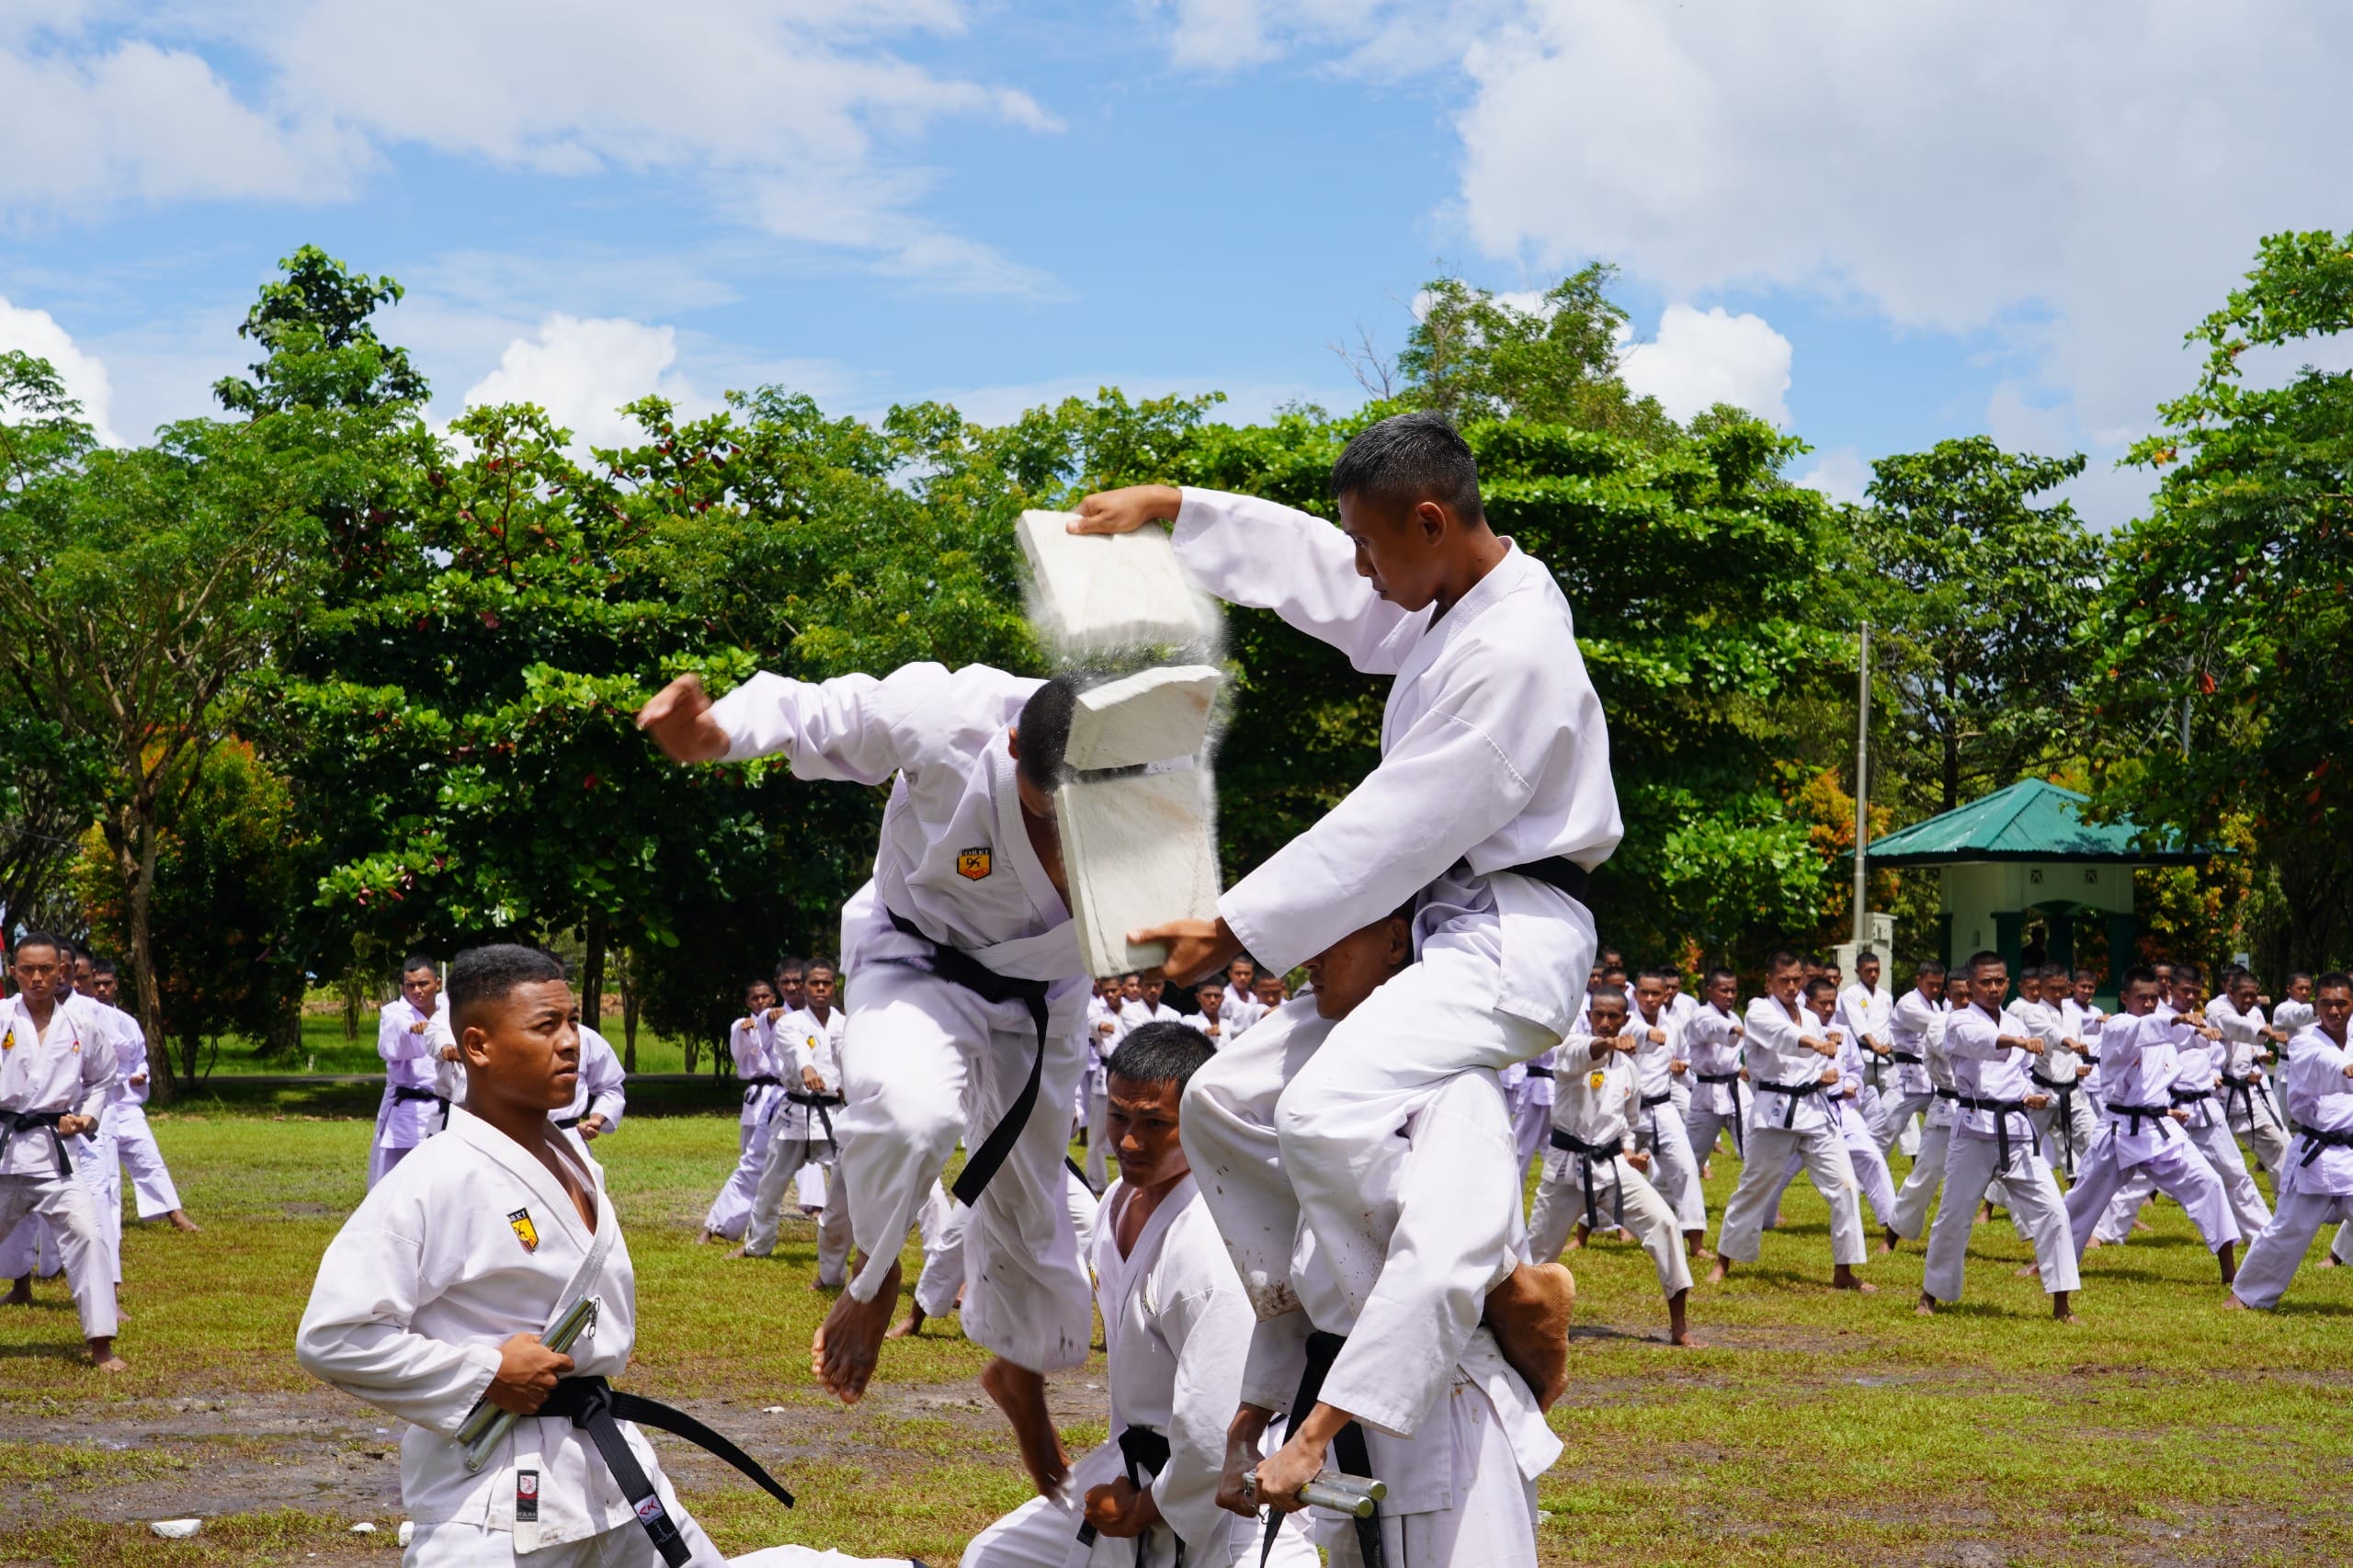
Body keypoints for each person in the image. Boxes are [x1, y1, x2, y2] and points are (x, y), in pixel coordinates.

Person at [1076, 415, 1615, 1471]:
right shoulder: (1450, 598)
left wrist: (1235, 925)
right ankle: (1297, 1325)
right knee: (1223, 1103)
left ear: (1428, 520)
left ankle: (1490, 1297)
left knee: (1323, 1111)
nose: (1360, 568)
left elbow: (1401, 816)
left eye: (1373, 545)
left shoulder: (1515, 651)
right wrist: (1179, 511)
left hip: (1508, 937)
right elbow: (1317, 571)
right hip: (1438, 926)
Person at [640, 659, 1097, 1498]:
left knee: (1036, 1202)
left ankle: (1019, 1373)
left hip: (1046, 988)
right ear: (1007, 748)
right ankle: (877, 1270)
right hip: (916, 955)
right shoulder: (945, 717)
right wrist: (714, 734)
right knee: (907, 1114)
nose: (1060, 836)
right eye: (1043, 809)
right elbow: (808, 706)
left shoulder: (1151, 777)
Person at [296, 945, 805, 1568]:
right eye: (546, 1026)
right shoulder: (437, 1177)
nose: (572, 1043)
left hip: (609, 1467)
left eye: (572, 1022)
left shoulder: (574, 1155)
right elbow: (334, 1336)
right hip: (499, 1491)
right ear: (478, 1046)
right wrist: (486, 1372)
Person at [1188, 908, 1565, 1566]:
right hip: (1346, 1416)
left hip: (1445, 1421)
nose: (1307, 961)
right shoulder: (1336, 1103)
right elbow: (1313, 1272)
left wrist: (1308, 1439)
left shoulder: (1458, 1089)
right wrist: (1251, 1420)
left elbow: (1436, 1274)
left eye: (1328, 935)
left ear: (1395, 938)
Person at [962, 1022, 1315, 1568]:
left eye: (1155, 1123)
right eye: (1119, 1116)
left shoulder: (1211, 1242)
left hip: (1230, 1488)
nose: (1129, 1141)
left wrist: (1144, 1509)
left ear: (1199, 1120)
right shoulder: (1117, 1203)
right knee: (993, 1558)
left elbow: (1210, 1426)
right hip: (1133, 1460)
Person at [1524, 990, 1698, 1346]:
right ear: (1589, 1015)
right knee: (1538, 1251)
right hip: (1566, 1169)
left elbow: (1626, 1122)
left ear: (1624, 1018)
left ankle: (1679, 1326)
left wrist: (1631, 1152)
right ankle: (1517, 1323)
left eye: (1613, 1016)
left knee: (1665, 1223)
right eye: (1599, 1015)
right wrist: (1607, 1043)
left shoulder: (1630, 1070)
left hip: (1613, 1164)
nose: (1605, 1022)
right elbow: (1586, 1052)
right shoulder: (1571, 1048)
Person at [1915, 954, 2080, 1322]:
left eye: (1999, 982)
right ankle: (1930, 1294)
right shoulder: (1958, 1021)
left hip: (2017, 1131)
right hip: (1973, 1131)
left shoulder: (2015, 1021)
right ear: (1971, 987)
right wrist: (2019, 1041)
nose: (1993, 989)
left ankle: (2062, 1304)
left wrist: (2027, 1094)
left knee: (2053, 1211)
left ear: (2008, 984)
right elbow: (1980, 1042)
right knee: (1953, 1215)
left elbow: (2018, 1075)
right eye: (1985, 983)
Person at [2062, 967, 2241, 1283]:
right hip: (2118, 1131)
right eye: (2141, 997)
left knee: (2209, 1183)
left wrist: (2198, 1028)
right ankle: (2051, 1263)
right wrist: (2177, 1020)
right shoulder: (2119, 1026)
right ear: (2124, 998)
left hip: (2158, 1129)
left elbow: (2157, 1078)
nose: (2148, 1004)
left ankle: (2230, 1271)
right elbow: (2143, 1029)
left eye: (2154, 998)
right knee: (2082, 1200)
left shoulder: (2165, 1034)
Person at [1708, 951, 1871, 1290]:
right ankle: (1724, 1259)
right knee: (1755, 1186)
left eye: (1797, 979)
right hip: (1775, 1111)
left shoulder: (1810, 1018)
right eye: (1785, 980)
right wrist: (1817, 1044)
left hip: (1814, 1111)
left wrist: (1826, 1072)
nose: (1793, 986)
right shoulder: (1758, 1011)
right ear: (1769, 982)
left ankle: (1844, 1271)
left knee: (1845, 1185)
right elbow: (1781, 1035)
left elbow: (1819, 1065)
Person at [0, 933, 124, 1371]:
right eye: (27, 969)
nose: (37, 978)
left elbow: (103, 1079)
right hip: (5, 1153)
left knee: (89, 1237)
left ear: (62, 972)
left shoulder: (81, 1025)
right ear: (13, 971)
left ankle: (101, 1343)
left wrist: (87, 1118)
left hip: (56, 1157)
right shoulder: (0, 1018)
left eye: (46, 969)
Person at [2228, 973, 2353, 1311]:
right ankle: (2245, 1296)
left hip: (2351, 1153)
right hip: (2318, 1152)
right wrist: (2346, 1068)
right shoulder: (2304, 1041)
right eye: (2326, 1003)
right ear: (2316, 1006)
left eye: (2342, 1003)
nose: (2334, 1010)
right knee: (2289, 1229)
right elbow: (2325, 1065)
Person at [1760, 978, 1901, 1239]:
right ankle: (1763, 1218)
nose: (1827, 1008)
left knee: (1871, 1156)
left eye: (1831, 1003)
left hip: (1840, 1110)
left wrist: (1849, 1084)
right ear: (1808, 1003)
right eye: (1822, 1003)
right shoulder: (1795, 1032)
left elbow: (1856, 1070)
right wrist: (1822, 1047)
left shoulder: (1844, 1033)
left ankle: (1891, 1221)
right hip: (1802, 1110)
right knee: (1778, 1169)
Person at [742, 963, 853, 1283]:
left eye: (827, 983)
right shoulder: (789, 1023)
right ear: (803, 986)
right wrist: (806, 1070)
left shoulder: (845, 1024)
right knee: (771, 1184)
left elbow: (849, 1056)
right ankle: (758, 1245)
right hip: (795, 1113)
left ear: (834, 987)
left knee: (849, 1184)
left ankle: (853, 1246)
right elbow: (796, 1051)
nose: (820, 989)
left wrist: (851, 1082)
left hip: (833, 1113)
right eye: (814, 983)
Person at [87, 958, 198, 1233]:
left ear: (116, 985)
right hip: (91, 1106)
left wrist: (140, 1074)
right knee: (100, 1172)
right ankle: (99, 1225)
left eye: (107, 984)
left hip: (124, 1104)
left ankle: (176, 1215)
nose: (101, 989)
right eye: (97, 984)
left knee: (148, 1156)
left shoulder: (126, 1021)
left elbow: (140, 1058)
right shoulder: (79, 1017)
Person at [1624, 969, 1707, 1257]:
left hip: (1663, 1107)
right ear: (1635, 995)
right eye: (1643, 993)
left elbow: (1684, 1058)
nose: (1649, 999)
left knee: (1685, 1168)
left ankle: (1695, 1241)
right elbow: (1635, 1033)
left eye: (1655, 994)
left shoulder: (1674, 1026)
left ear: (1665, 995)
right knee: (1612, 1170)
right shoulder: (1624, 1023)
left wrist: (1681, 1067)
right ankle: (1589, 1231)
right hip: (1627, 1112)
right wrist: (1648, 1033)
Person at [699, 980, 786, 1245]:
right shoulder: (742, 1025)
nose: (761, 1002)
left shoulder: (790, 1020)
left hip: (795, 1099)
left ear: (774, 997)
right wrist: (749, 1030)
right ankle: (721, 1223)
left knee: (818, 1170)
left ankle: (819, 1210)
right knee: (751, 1164)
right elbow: (741, 1050)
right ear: (748, 1002)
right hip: (760, 1100)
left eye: (765, 997)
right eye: (755, 998)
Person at [1882, 975, 1961, 1253]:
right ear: (1949, 996)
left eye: (1969, 995)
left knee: (2019, 1177)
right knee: (1925, 1174)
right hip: (1947, 1105)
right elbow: (1953, 1045)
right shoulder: (1939, 1022)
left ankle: (2049, 1243)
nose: (1965, 1000)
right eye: (1958, 995)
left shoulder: (1995, 1023)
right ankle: (1893, 1234)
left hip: (1985, 1113)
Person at [372, 955, 460, 1187]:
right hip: (409, 1108)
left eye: (423, 984)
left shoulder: (451, 1009)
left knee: (445, 1175)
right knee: (401, 1178)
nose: (417, 991)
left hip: (449, 1106)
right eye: (410, 986)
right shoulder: (394, 1013)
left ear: (437, 984)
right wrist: (411, 1029)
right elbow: (392, 1037)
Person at [2210, 967, 2290, 1181]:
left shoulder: (2254, 1012)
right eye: (2243, 994)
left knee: (2278, 1144)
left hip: (2246, 1095)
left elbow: (2250, 1050)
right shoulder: (2217, 1008)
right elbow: (2236, 1026)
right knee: (2198, 1154)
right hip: (2218, 1095)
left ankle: (2288, 1203)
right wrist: (2267, 1032)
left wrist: (2255, 1068)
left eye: (2252, 995)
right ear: (2230, 992)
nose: (2248, 999)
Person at [1680, 968, 1747, 1185]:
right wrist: (1736, 1029)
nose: (1729, 996)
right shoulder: (1701, 1016)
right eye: (1724, 990)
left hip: (1735, 1089)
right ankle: (1665, 1197)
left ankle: (1766, 1209)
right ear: (1710, 991)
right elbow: (1714, 1027)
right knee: (1693, 1155)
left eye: (1733, 991)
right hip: (1707, 1092)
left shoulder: (1734, 1016)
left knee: (1752, 1148)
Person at [1874, 960, 1946, 1156]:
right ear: (1918, 979)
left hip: (1931, 1079)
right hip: (1906, 1079)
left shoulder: (1936, 1007)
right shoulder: (1908, 1003)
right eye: (1930, 984)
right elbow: (1934, 1025)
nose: (1934, 989)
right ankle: (1861, 1177)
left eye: (1939, 985)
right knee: (1884, 1131)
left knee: (1947, 1126)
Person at [558, 1024, 627, 1141]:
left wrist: (596, 1119)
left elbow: (610, 1087)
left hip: (568, 1139)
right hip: (517, 1142)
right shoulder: (516, 1035)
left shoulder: (584, 1036)